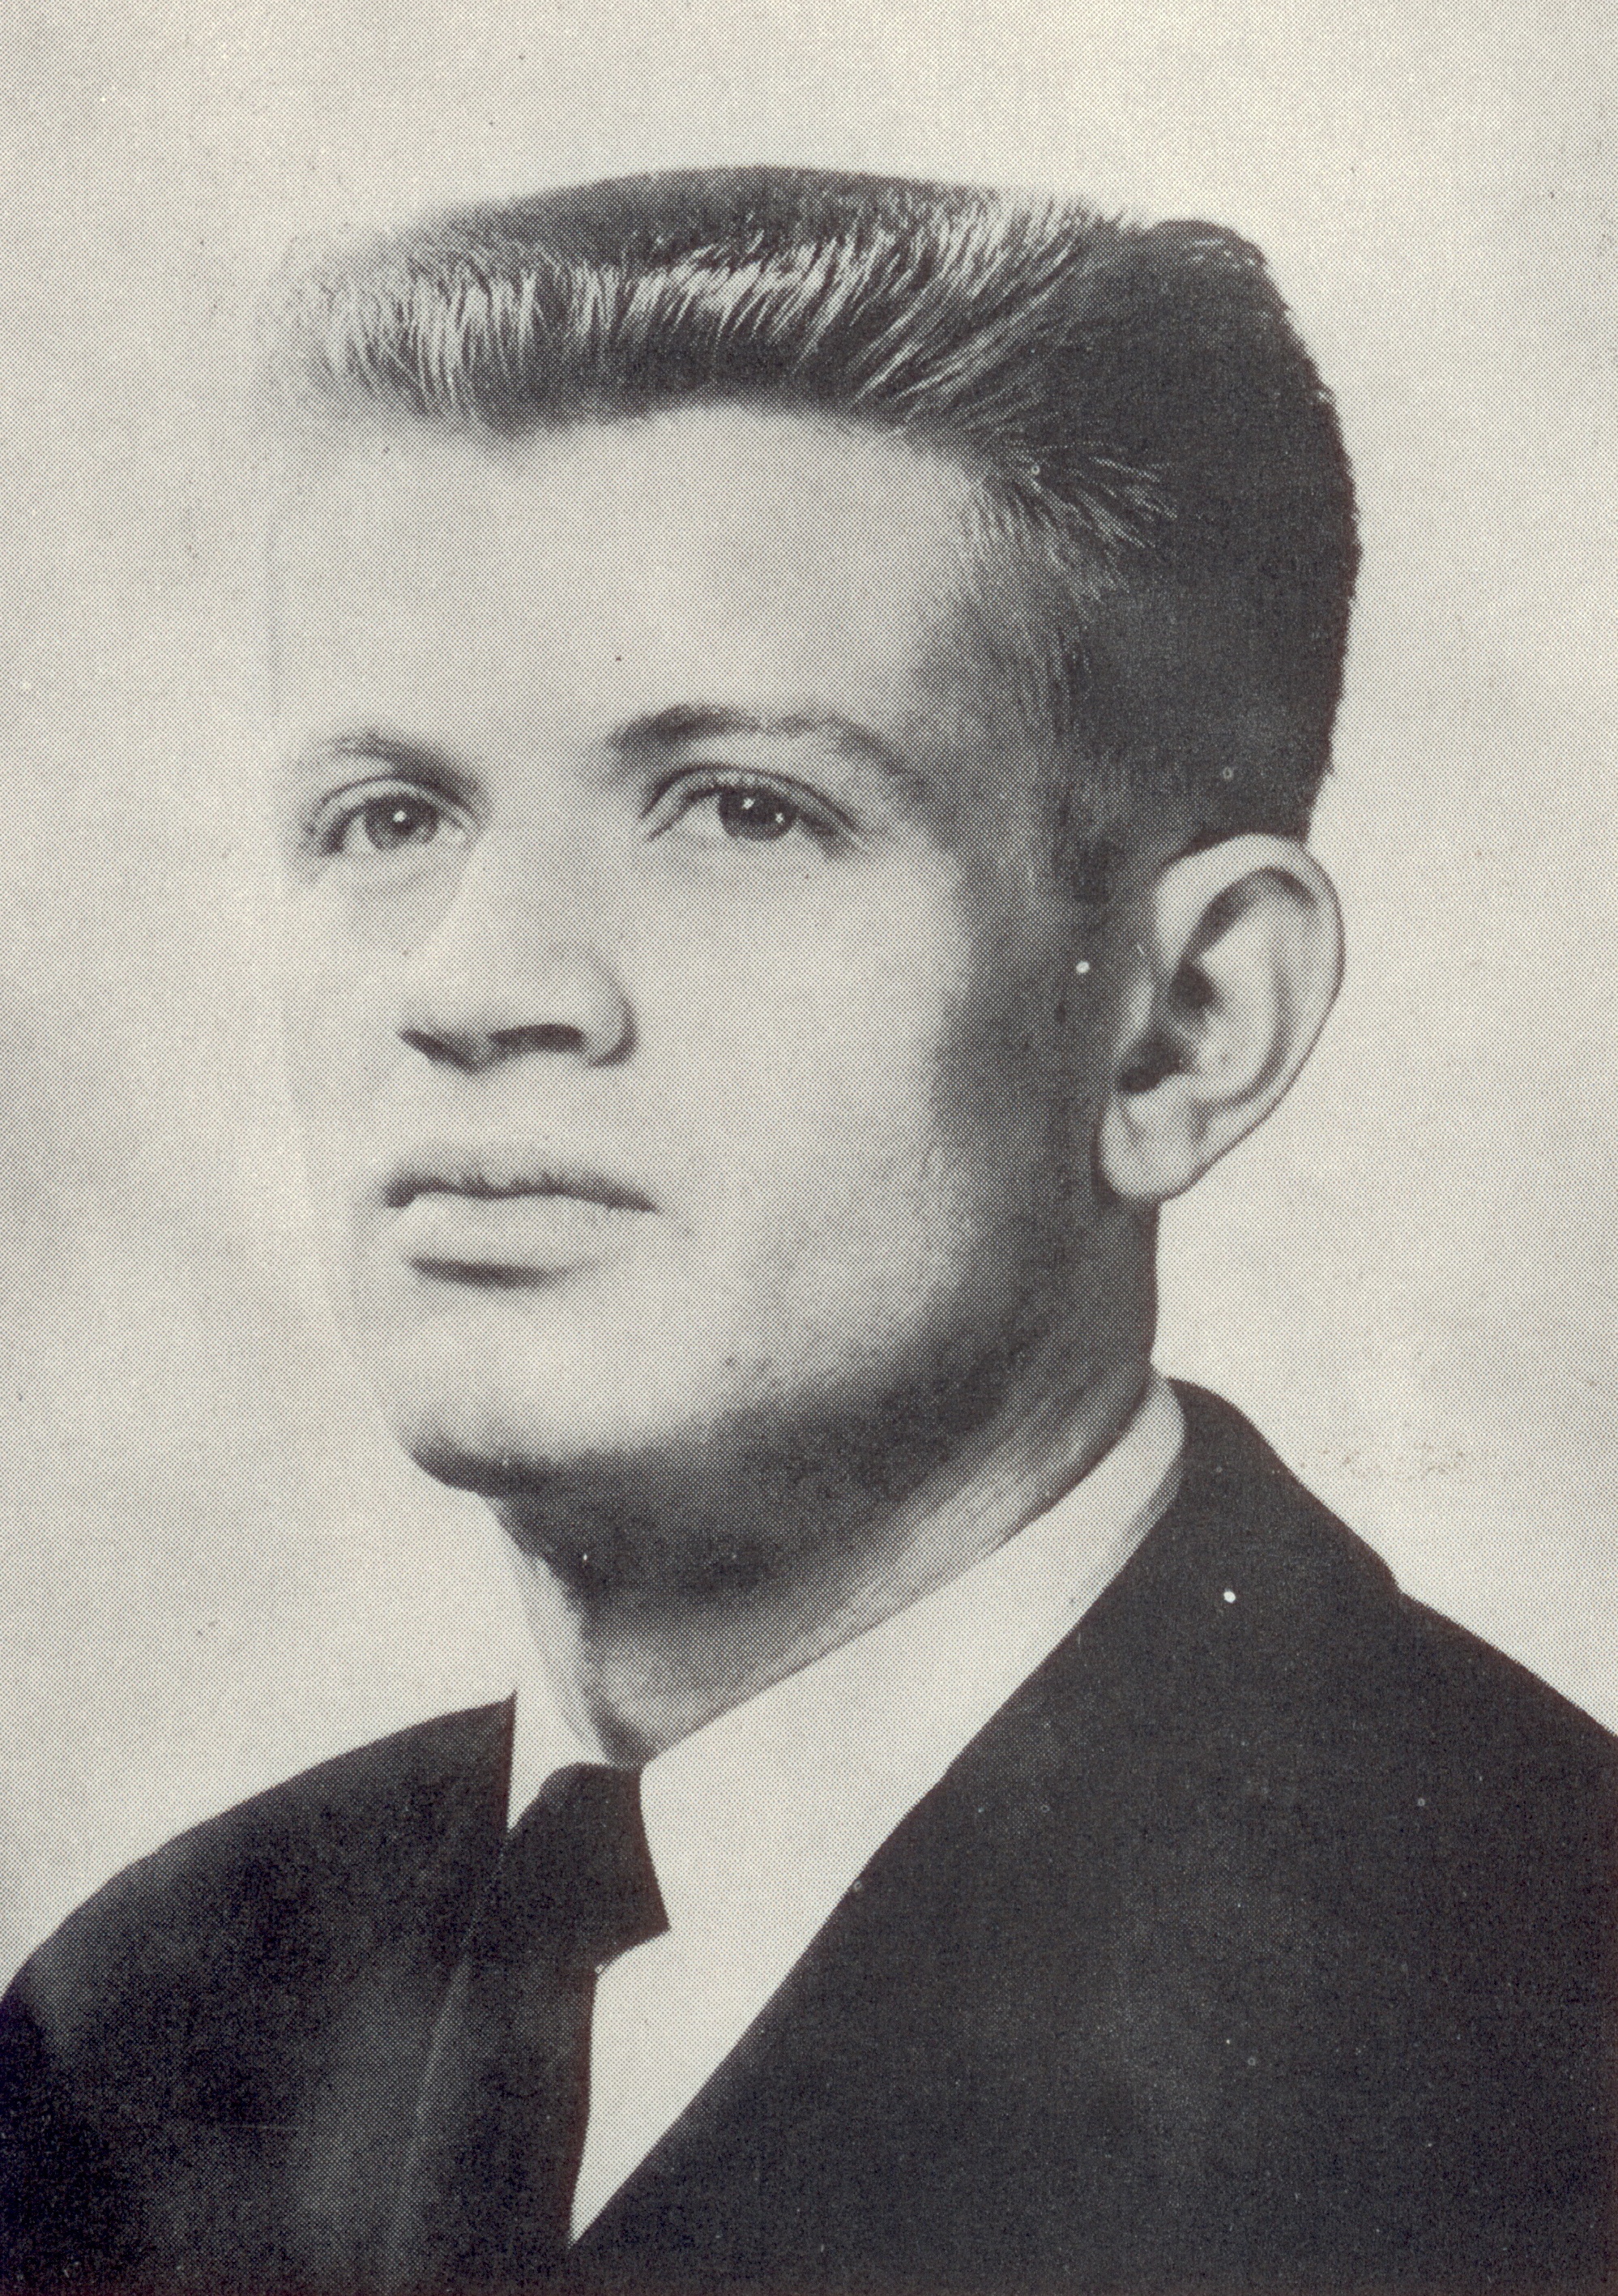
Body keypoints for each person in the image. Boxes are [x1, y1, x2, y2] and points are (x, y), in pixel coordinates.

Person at [0, 166, 1611, 2295]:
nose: (472, 985)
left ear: (1185, 1024)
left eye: (743, 809)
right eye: (387, 815)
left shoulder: (1542, 2040)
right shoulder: (140, 2033)